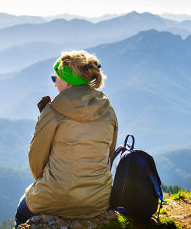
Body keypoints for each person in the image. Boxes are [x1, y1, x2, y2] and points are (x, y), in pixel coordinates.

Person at [15, 51, 118, 227]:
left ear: (68, 82)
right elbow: (109, 154)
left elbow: (36, 159)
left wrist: (47, 183)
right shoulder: (108, 109)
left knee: (21, 212)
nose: (54, 84)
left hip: (56, 196)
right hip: (98, 200)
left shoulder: (53, 110)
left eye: (55, 79)